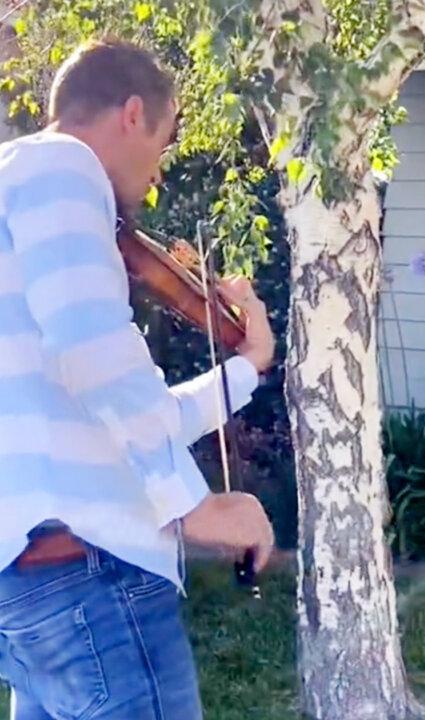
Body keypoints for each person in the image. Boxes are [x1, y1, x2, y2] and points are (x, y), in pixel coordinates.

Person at [0, 40, 275, 719]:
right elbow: (93, 351)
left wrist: (246, 367)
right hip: (89, 579)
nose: (159, 170)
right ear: (131, 114)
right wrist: (191, 505)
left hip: (33, 592)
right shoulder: (60, 164)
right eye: (166, 137)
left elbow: (127, 408)